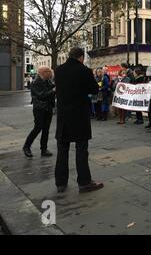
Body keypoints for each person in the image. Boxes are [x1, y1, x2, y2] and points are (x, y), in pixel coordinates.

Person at [54, 47, 104, 193]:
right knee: (81, 150)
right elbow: (94, 89)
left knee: (62, 150)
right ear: (81, 57)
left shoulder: (59, 70)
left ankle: (60, 183)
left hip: (63, 116)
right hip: (79, 115)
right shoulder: (84, 70)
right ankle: (84, 182)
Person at [22, 66, 55, 158]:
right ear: (43, 72)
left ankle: (44, 149)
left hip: (48, 108)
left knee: (46, 129)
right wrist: (53, 91)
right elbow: (42, 95)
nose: (51, 73)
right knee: (38, 128)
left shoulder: (47, 80)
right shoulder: (36, 82)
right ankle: (26, 147)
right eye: (49, 71)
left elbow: (51, 88)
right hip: (40, 109)